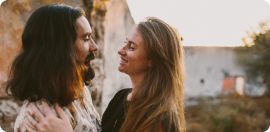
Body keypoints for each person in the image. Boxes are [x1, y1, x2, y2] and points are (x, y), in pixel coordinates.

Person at [25, 17, 186, 132]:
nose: (120, 51)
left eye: (132, 47)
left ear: (153, 60)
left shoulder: (156, 117)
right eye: (125, 42)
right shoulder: (120, 98)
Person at [3, 4, 101, 132]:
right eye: (86, 38)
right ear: (61, 49)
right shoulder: (38, 119)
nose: (95, 47)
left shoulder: (80, 91)